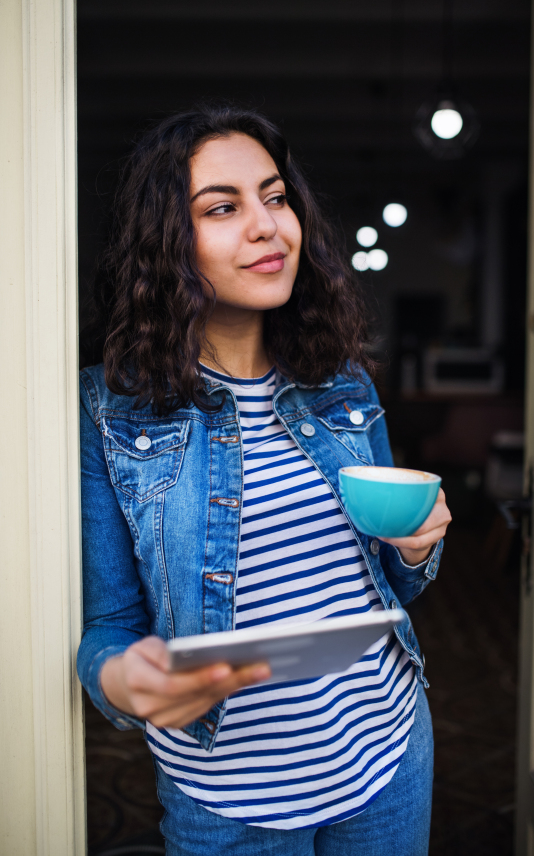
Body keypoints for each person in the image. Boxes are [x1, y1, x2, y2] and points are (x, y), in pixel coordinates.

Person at [78, 103, 452, 856]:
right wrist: (125, 682)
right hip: (229, 797)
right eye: (223, 207)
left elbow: (389, 585)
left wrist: (416, 549)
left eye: (276, 197)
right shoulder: (111, 416)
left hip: (387, 753)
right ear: (166, 244)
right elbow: (109, 633)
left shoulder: (341, 382)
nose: (267, 225)